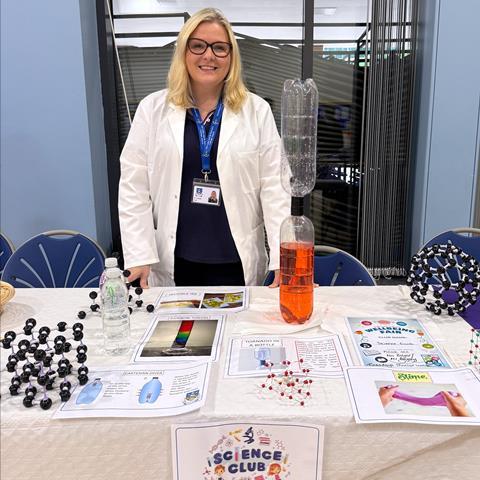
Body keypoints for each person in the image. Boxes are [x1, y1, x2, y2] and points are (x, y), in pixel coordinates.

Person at [118, 8, 289, 288]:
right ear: (183, 52)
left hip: (236, 260)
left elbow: (275, 186)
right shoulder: (152, 109)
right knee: (179, 332)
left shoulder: (257, 111)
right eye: (197, 45)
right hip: (174, 260)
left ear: (231, 57)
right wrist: (138, 254)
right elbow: (134, 186)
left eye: (220, 48)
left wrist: (284, 260)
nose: (208, 56)